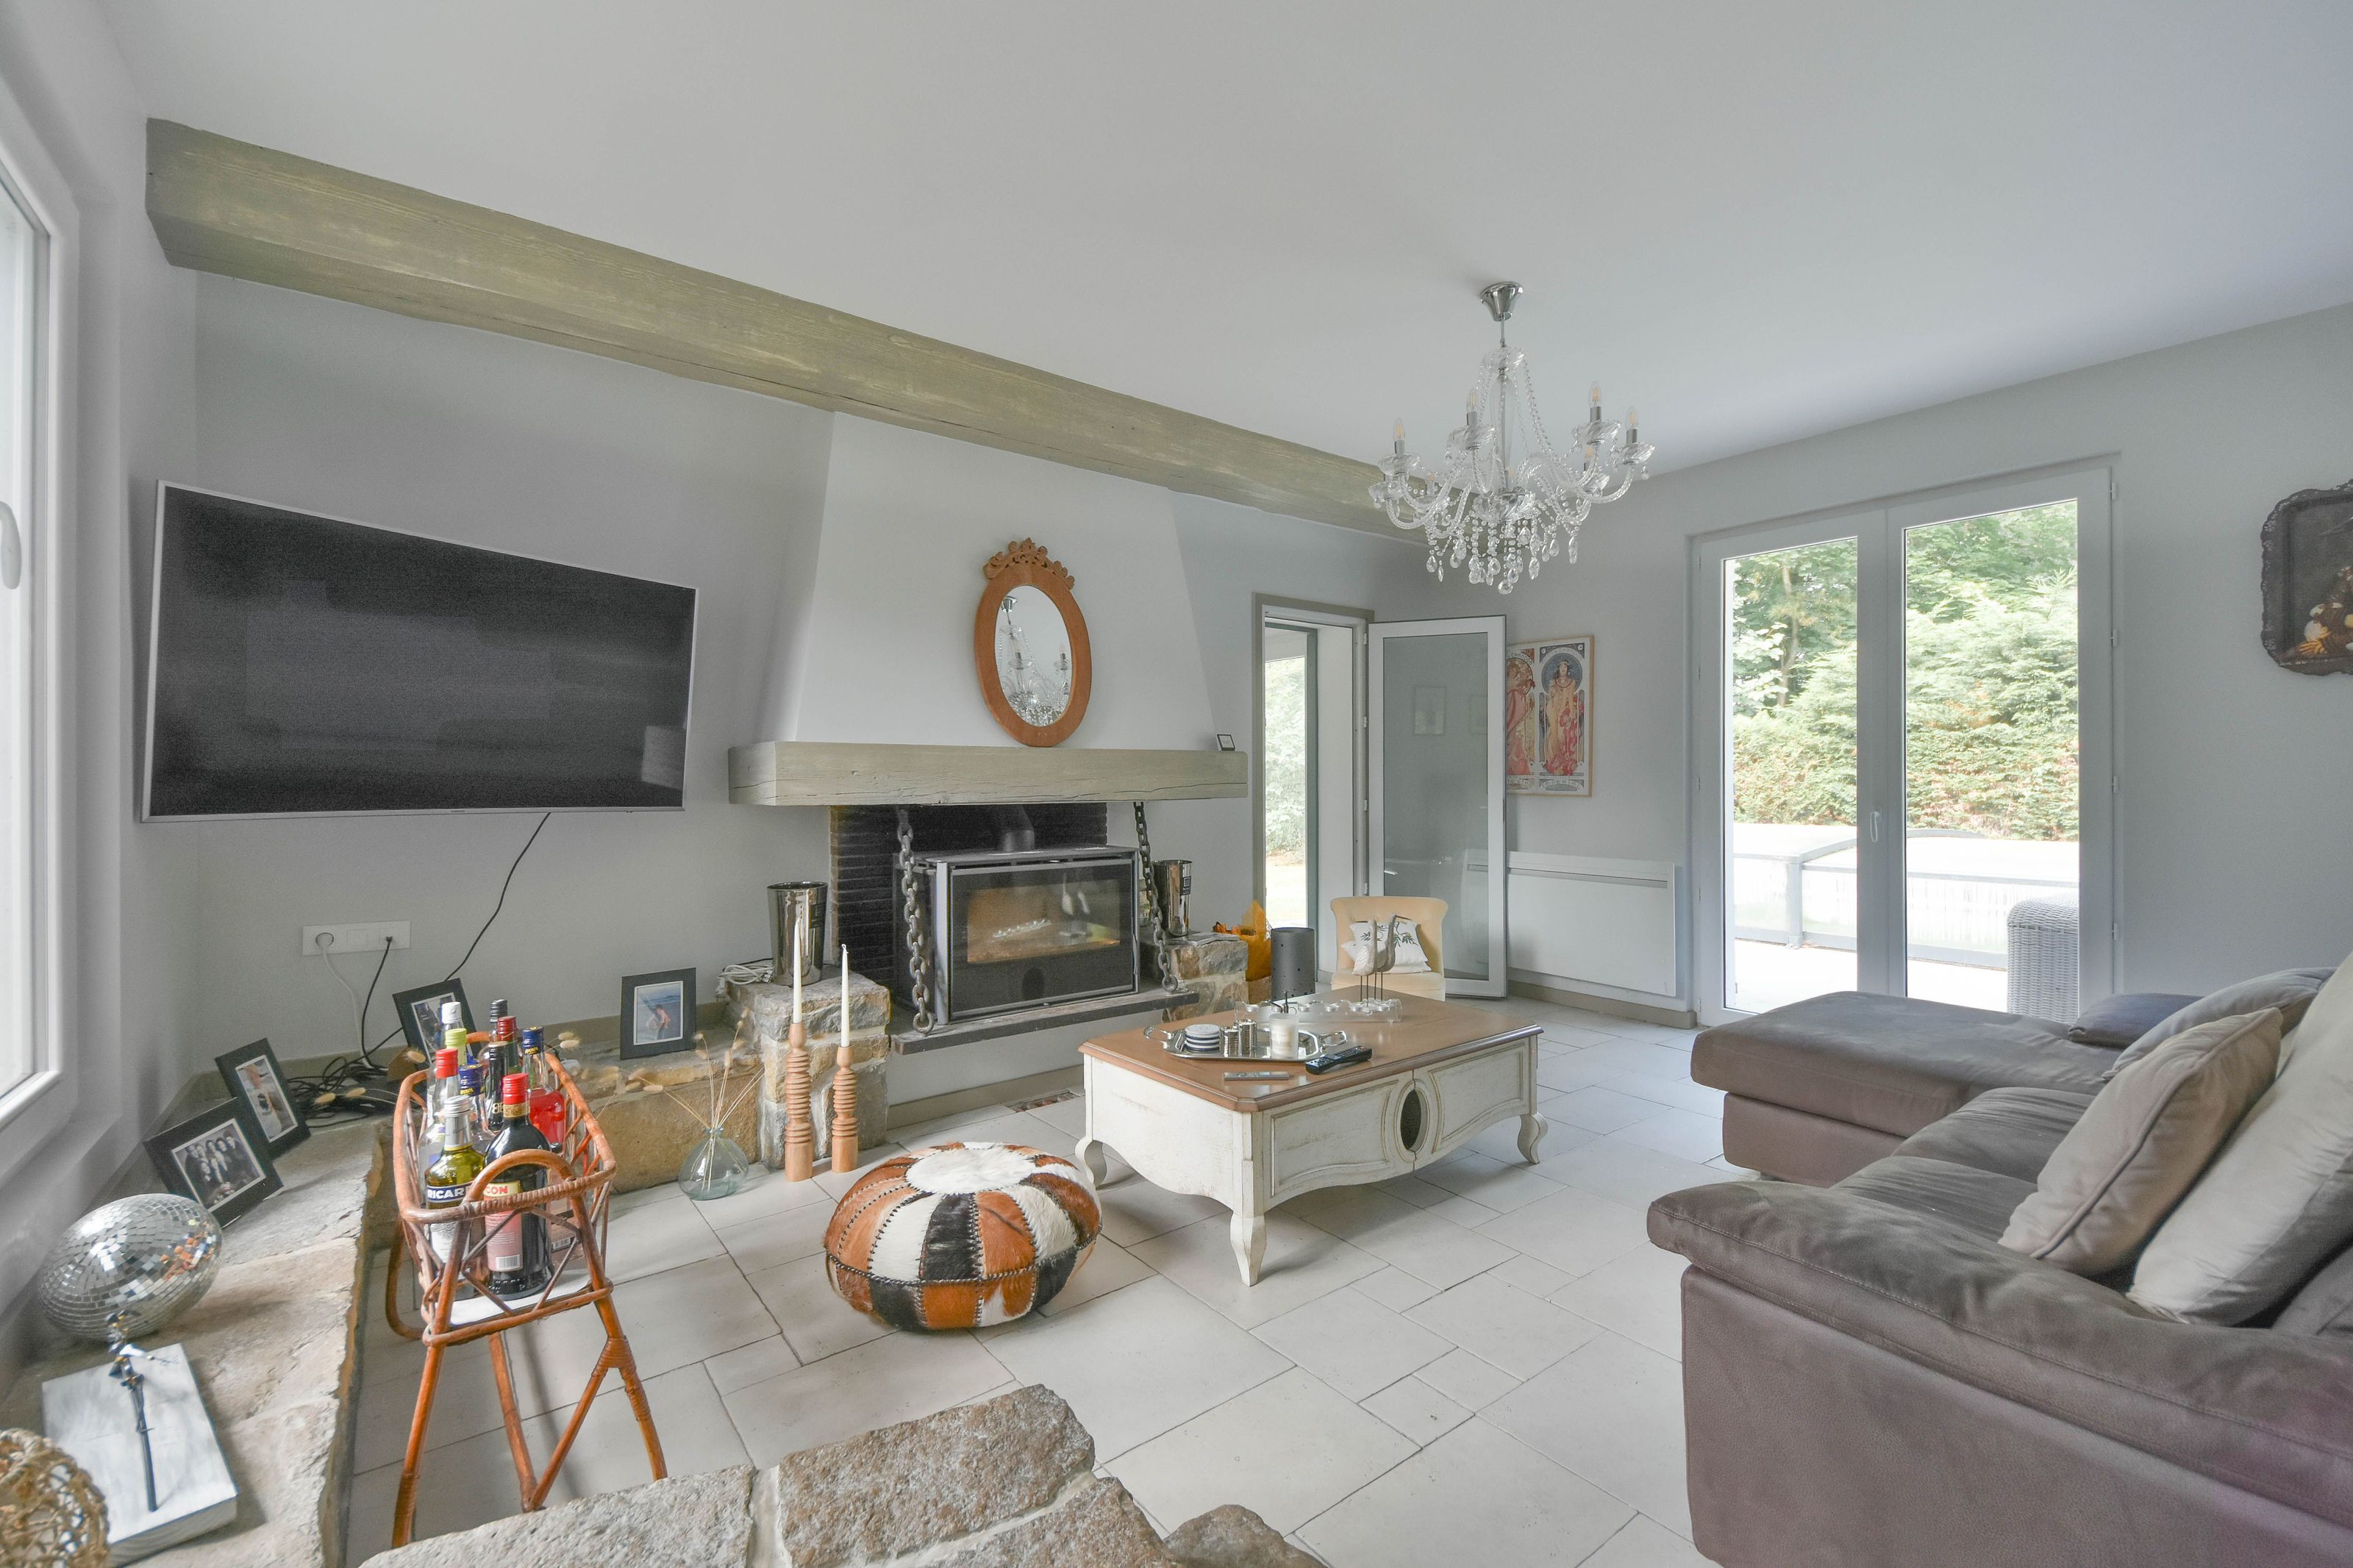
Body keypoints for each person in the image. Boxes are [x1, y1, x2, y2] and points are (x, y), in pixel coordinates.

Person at [1542, 657, 1585, 778]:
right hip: (1552, 709)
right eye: (1561, 667)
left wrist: (1572, 711)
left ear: (1568, 670)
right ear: (1558, 669)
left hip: (1562, 711)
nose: (1563, 669)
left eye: (1565, 667)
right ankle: (1552, 758)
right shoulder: (1553, 682)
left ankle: (1561, 760)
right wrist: (1553, 690)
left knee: (1561, 734)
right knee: (1553, 733)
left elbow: (1570, 700)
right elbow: (1550, 696)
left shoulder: (1571, 682)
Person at [1505, 656, 1537, 777]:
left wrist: (1527, 686)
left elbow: (1522, 691)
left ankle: (1517, 766)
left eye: (1515, 670)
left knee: (1516, 740)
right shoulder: (1508, 682)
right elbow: (1516, 686)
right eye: (1511, 670)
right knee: (1511, 738)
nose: (1513, 672)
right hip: (1511, 712)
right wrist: (1527, 683)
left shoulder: (1514, 684)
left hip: (1517, 714)